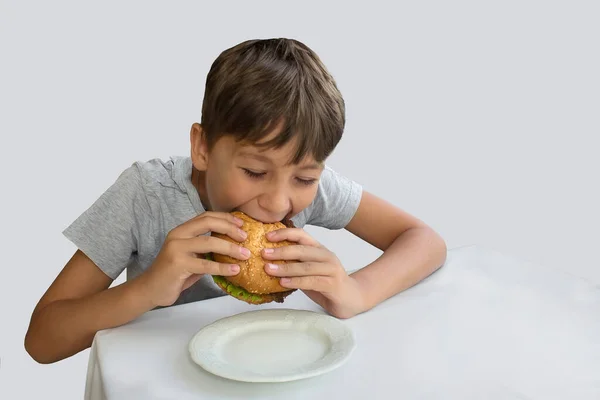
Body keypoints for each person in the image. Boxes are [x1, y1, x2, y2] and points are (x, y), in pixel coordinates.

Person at [25, 38, 447, 364]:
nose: (279, 203)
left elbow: (424, 240)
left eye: (303, 177)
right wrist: (147, 290)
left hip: (277, 363)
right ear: (203, 147)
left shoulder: (310, 188)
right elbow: (42, 341)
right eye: (254, 172)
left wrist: (356, 291)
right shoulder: (146, 195)